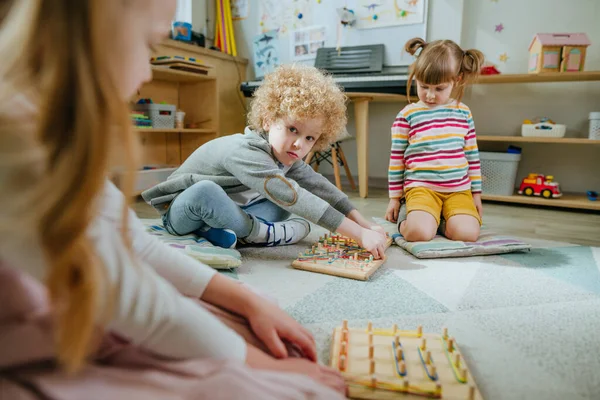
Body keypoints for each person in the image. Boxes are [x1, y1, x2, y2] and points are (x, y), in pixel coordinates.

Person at [0, 0, 346, 398]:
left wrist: (243, 299)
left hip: (68, 299)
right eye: (149, 46)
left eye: (310, 139)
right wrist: (264, 368)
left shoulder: (44, 126)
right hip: (27, 325)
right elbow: (135, 303)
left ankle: (259, 241)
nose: (147, 72)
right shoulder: (16, 143)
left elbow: (135, 245)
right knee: (251, 382)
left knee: (237, 311)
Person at [142, 64, 389, 259]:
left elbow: (321, 187)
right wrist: (358, 235)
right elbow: (291, 195)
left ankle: (223, 233)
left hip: (227, 213)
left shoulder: (286, 155)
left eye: (310, 138)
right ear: (269, 120)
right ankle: (258, 234)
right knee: (210, 192)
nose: (299, 144)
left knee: (287, 201)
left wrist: (364, 225)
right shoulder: (244, 150)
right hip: (181, 212)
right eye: (292, 129)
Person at [385, 37, 485, 243]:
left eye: (439, 88)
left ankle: (438, 218)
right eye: (423, 86)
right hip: (421, 188)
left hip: (458, 190)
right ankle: (415, 216)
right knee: (417, 234)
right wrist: (394, 198)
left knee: (467, 235)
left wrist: (476, 194)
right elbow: (396, 160)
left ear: (456, 80)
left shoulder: (463, 113)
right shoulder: (408, 115)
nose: (430, 95)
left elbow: (472, 157)